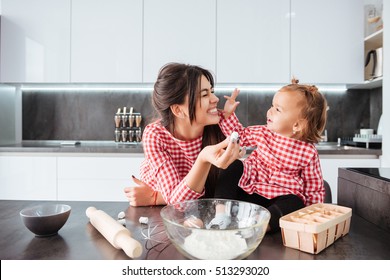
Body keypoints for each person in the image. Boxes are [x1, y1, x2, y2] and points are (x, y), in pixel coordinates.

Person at [209, 79, 328, 233]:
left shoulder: (308, 152)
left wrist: (313, 217)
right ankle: (221, 215)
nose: (269, 111)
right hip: (249, 189)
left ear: (297, 125)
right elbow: (240, 136)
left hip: (277, 200)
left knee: (297, 202)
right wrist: (229, 115)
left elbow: (314, 189)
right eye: (272, 106)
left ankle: (258, 226)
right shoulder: (264, 132)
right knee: (234, 165)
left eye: (277, 110)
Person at [124, 63, 244, 206]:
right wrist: (203, 158)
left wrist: (155, 198)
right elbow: (177, 204)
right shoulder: (156, 135)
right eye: (205, 94)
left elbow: (227, 187)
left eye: (212, 91)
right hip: (169, 214)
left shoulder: (221, 123)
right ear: (178, 110)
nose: (215, 99)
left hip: (198, 209)